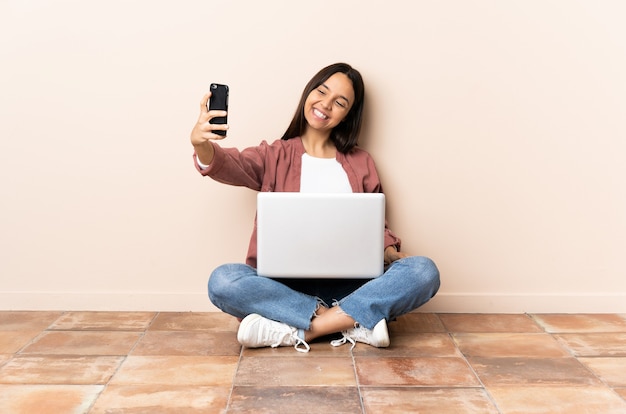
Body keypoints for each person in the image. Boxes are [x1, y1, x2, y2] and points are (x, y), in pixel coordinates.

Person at [190, 63, 440, 353]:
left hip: (353, 285)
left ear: (348, 114)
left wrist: (392, 254)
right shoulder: (274, 154)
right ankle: (353, 321)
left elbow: (374, 227)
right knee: (222, 280)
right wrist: (201, 144)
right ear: (309, 92)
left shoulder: (361, 162)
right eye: (322, 91)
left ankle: (298, 330)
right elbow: (229, 165)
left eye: (340, 102)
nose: (326, 104)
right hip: (284, 288)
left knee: (423, 271)